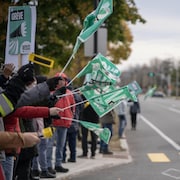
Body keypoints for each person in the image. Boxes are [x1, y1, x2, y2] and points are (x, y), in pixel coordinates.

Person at [47, 72, 75, 173]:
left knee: (61, 145)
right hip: (53, 123)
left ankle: (58, 164)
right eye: (59, 80)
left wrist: (71, 118)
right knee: (49, 145)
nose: (61, 82)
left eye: (63, 79)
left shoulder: (69, 93)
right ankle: (48, 165)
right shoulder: (51, 92)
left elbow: (73, 107)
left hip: (65, 122)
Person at [63, 87, 83, 163]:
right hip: (74, 121)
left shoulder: (65, 95)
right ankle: (73, 157)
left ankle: (63, 157)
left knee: (63, 142)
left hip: (65, 121)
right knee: (73, 141)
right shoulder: (77, 96)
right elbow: (82, 107)